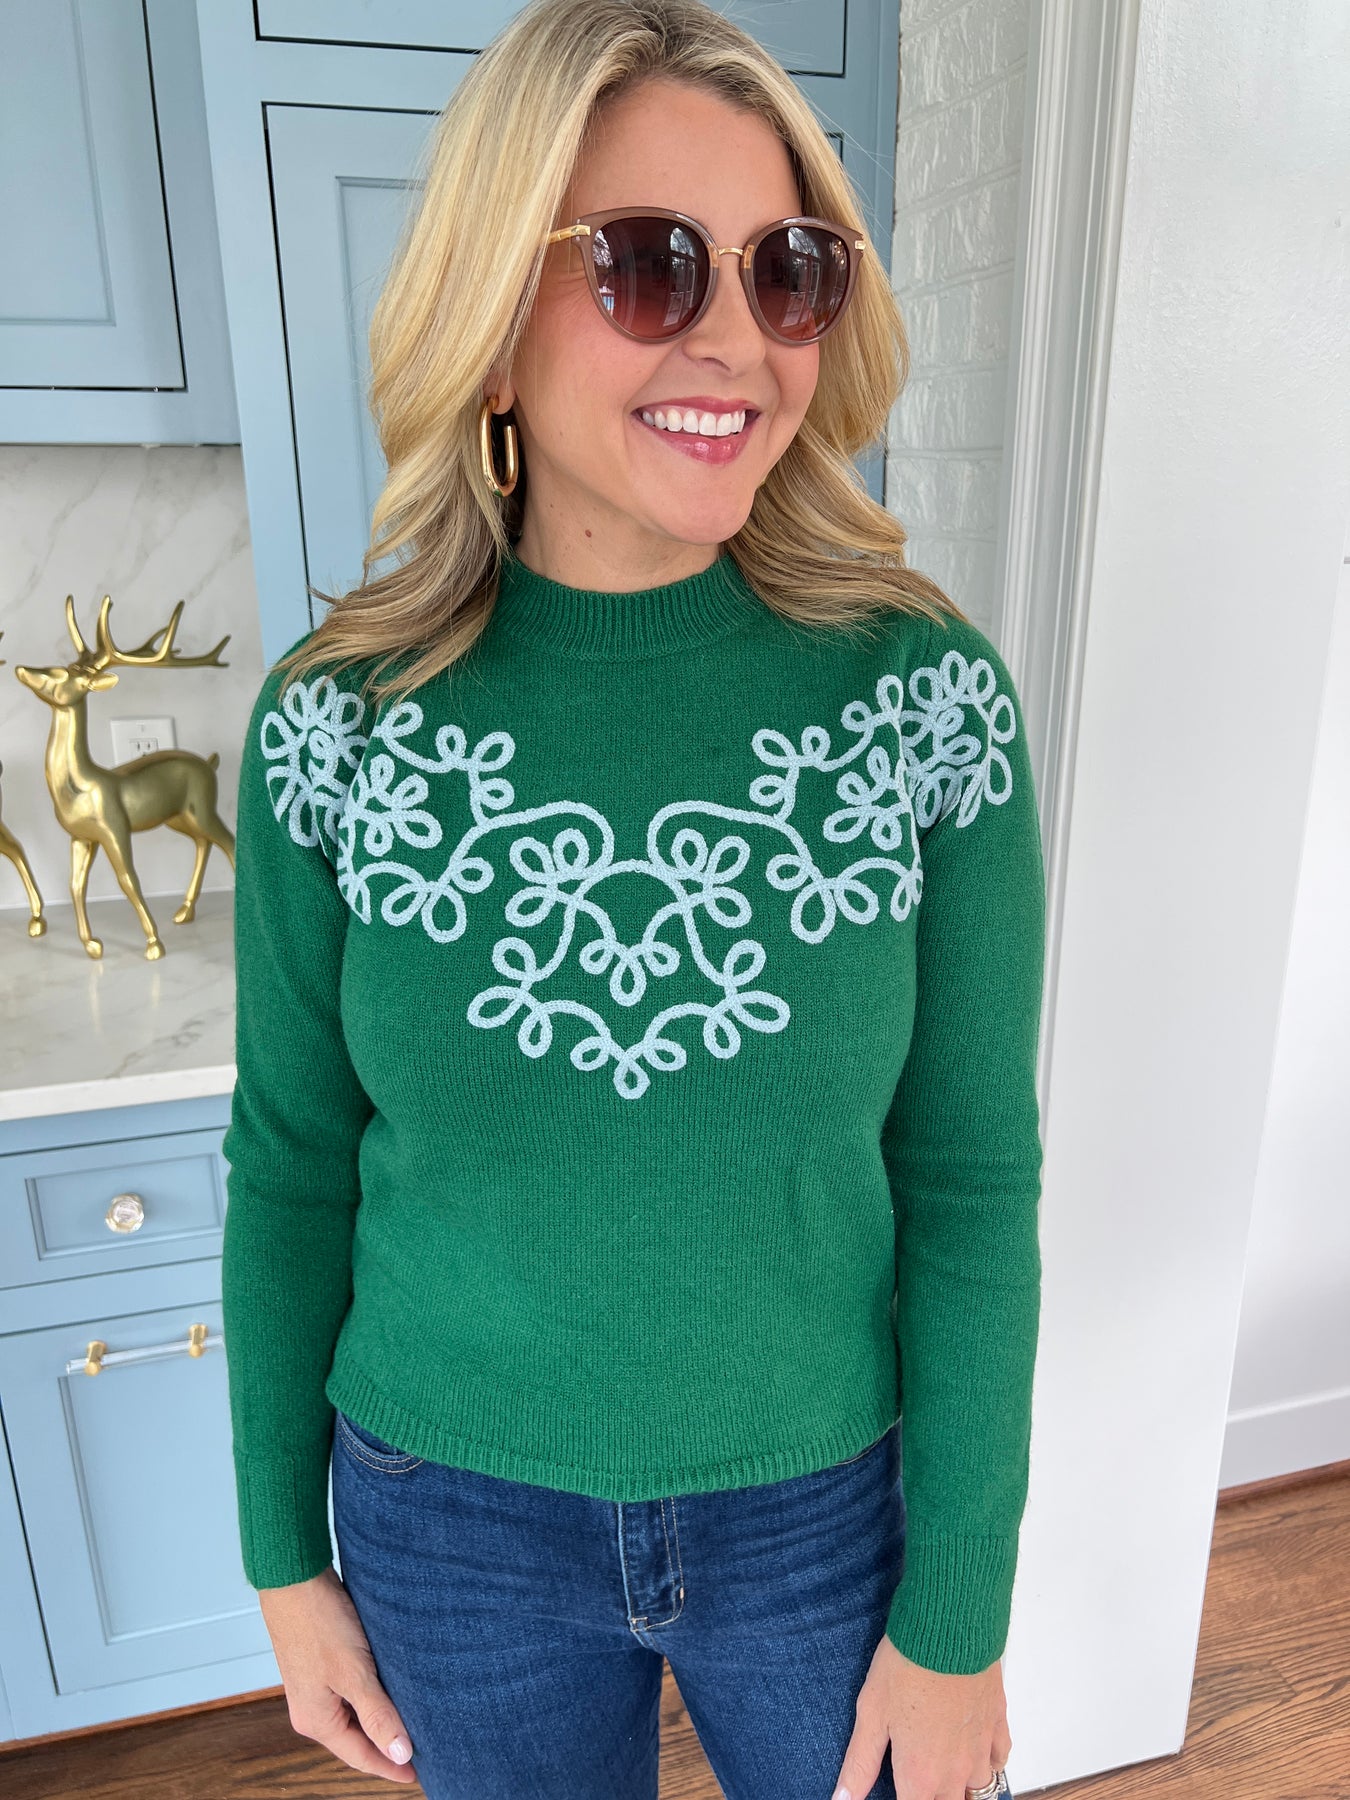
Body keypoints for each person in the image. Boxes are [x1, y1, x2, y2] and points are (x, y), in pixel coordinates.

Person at [220, 2, 1044, 1796]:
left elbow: (972, 1179)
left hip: (827, 1515)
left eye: (787, 272)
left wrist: (960, 1613)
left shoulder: (922, 703)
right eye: (650, 265)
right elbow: (288, 1163)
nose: (735, 339)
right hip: (447, 1521)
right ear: (488, 324)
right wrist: (283, 1563)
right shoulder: (336, 728)